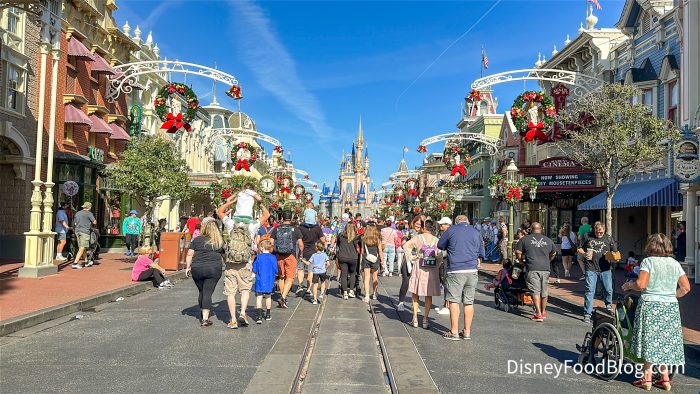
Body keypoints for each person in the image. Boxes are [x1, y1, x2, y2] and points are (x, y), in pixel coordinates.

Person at [622, 234, 690, 391]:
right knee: (664, 342)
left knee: (650, 341)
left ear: (650, 246)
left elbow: (641, 284)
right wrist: (671, 295)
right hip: (670, 306)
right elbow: (686, 287)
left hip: (651, 305)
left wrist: (629, 285)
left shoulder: (648, 261)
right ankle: (665, 379)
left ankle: (647, 378)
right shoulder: (674, 263)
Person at [217, 194, 271, 329]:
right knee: (245, 290)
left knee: (230, 292)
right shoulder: (252, 226)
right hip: (245, 262)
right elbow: (266, 214)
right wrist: (260, 202)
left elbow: (219, 211)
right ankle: (242, 312)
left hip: (231, 262)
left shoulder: (230, 223)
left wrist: (230, 202)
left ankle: (233, 320)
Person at [437, 215, 483, 341]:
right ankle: (467, 331)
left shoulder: (451, 230)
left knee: (454, 300)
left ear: (456, 222)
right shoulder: (475, 231)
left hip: (456, 270)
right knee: (468, 301)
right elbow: (481, 252)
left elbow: (440, 245)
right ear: (467, 221)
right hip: (472, 270)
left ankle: (454, 331)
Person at [403, 219, 442, 329]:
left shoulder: (417, 238)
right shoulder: (436, 240)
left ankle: (415, 318)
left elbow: (406, 246)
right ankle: (425, 319)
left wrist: (411, 257)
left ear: (424, 228)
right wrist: (437, 263)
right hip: (431, 268)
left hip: (419, 265)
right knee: (428, 294)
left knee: (416, 292)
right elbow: (440, 254)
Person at [185, 220, 224, 327]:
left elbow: (189, 254)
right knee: (207, 292)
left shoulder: (197, 240)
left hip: (197, 268)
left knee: (202, 291)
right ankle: (205, 319)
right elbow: (224, 256)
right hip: (213, 269)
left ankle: (202, 312)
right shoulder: (218, 241)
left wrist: (188, 267)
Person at [578, 221, 618, 323]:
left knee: (608, 289)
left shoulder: (608, 238)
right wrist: (585, 254)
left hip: (605, 268)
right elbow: (579, 249)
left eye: (601, 232)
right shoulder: (587, 236)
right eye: (597, 232)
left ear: (604, 230)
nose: (599, 234)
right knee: (590, 290)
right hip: (591, 268)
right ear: (594, 230)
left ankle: (608, 305)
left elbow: (616, 253)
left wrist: (611, 256)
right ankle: (587, 313)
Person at [515, 222, 556, 322]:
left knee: (535, 291)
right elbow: (553, 253)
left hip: (532, 267)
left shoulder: (524, 239)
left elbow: (518, 252)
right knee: (544, 291)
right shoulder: (548, 240)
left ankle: (538, 314)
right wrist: (548, 260)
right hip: (545, 268)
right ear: (541, 229)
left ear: (531, 229)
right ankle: (543, 311)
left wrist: (521, 261)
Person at [271, 210, 304, 308]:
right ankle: (283, 297)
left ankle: (282, 296)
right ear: (291, 218)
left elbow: (271, 242)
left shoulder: (276, 229)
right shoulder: (296, 229)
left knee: (281, 276)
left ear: (282, 218)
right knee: (290, 278)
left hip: (279, 255)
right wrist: (300, 254)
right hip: (291, 255)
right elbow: (301, 245)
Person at [297, 215, 326, 296]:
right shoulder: (317, 228)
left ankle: (300, 285)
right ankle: (308, 289)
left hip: (302, 251)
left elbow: (298, 239)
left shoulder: (300, 227)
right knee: (311, 270)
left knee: (300, 268)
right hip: (313, 251)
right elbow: (323, 240)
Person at [252, 239, 278, 323]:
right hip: (269, 280)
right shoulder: (273, 257)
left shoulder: (258, 257)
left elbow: (254, 269)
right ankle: (268, 314)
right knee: (268, 297)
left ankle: (259, 317)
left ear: (262, 248)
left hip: (260, 280)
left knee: (259, 297)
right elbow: (275, 269)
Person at [336, 221, 361, 300]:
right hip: (353, 257)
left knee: (344, 274)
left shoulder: (340, 236)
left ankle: (345, 293)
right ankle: (351, 291)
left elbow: (338, 245)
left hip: (342, 257)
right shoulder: (356, 237)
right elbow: (360, 245)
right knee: (353, 274)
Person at [361, 224, 384, 303]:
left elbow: (362, 250)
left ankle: (367, 295)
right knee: (375, 278)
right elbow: (380, 251)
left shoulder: (364, 239)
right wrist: (382, 261)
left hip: (366, 259)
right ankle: (374, 293)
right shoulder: (377, 240)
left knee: (366, 278)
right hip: (375, 259)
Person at [434, 217, 452, 315]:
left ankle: (447, 306)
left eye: (442, 224)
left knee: (446, 282)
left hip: (446, 259)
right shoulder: (443, 233)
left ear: (447, 225)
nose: (440, 226)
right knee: (444, 280)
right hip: (443, 259)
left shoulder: (449, 234)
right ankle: (445, 303)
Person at [72, 202, 97, 269]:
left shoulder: (77, 213)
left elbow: (75, 222)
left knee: (83, 247)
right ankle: (75, 263)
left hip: (77, 231)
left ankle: (86, 262)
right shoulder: (89, 213)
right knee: (82, 247)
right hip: (85, 232)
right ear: (89, 207)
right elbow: (94, 222)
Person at [576, 216, 591, 281]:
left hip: (583, 246)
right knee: (589, 259)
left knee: (579, 259)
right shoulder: (590, 227)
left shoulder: (581, 228)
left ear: (582, 222)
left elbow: (579, 237)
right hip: (591, 246)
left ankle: (585, 273)